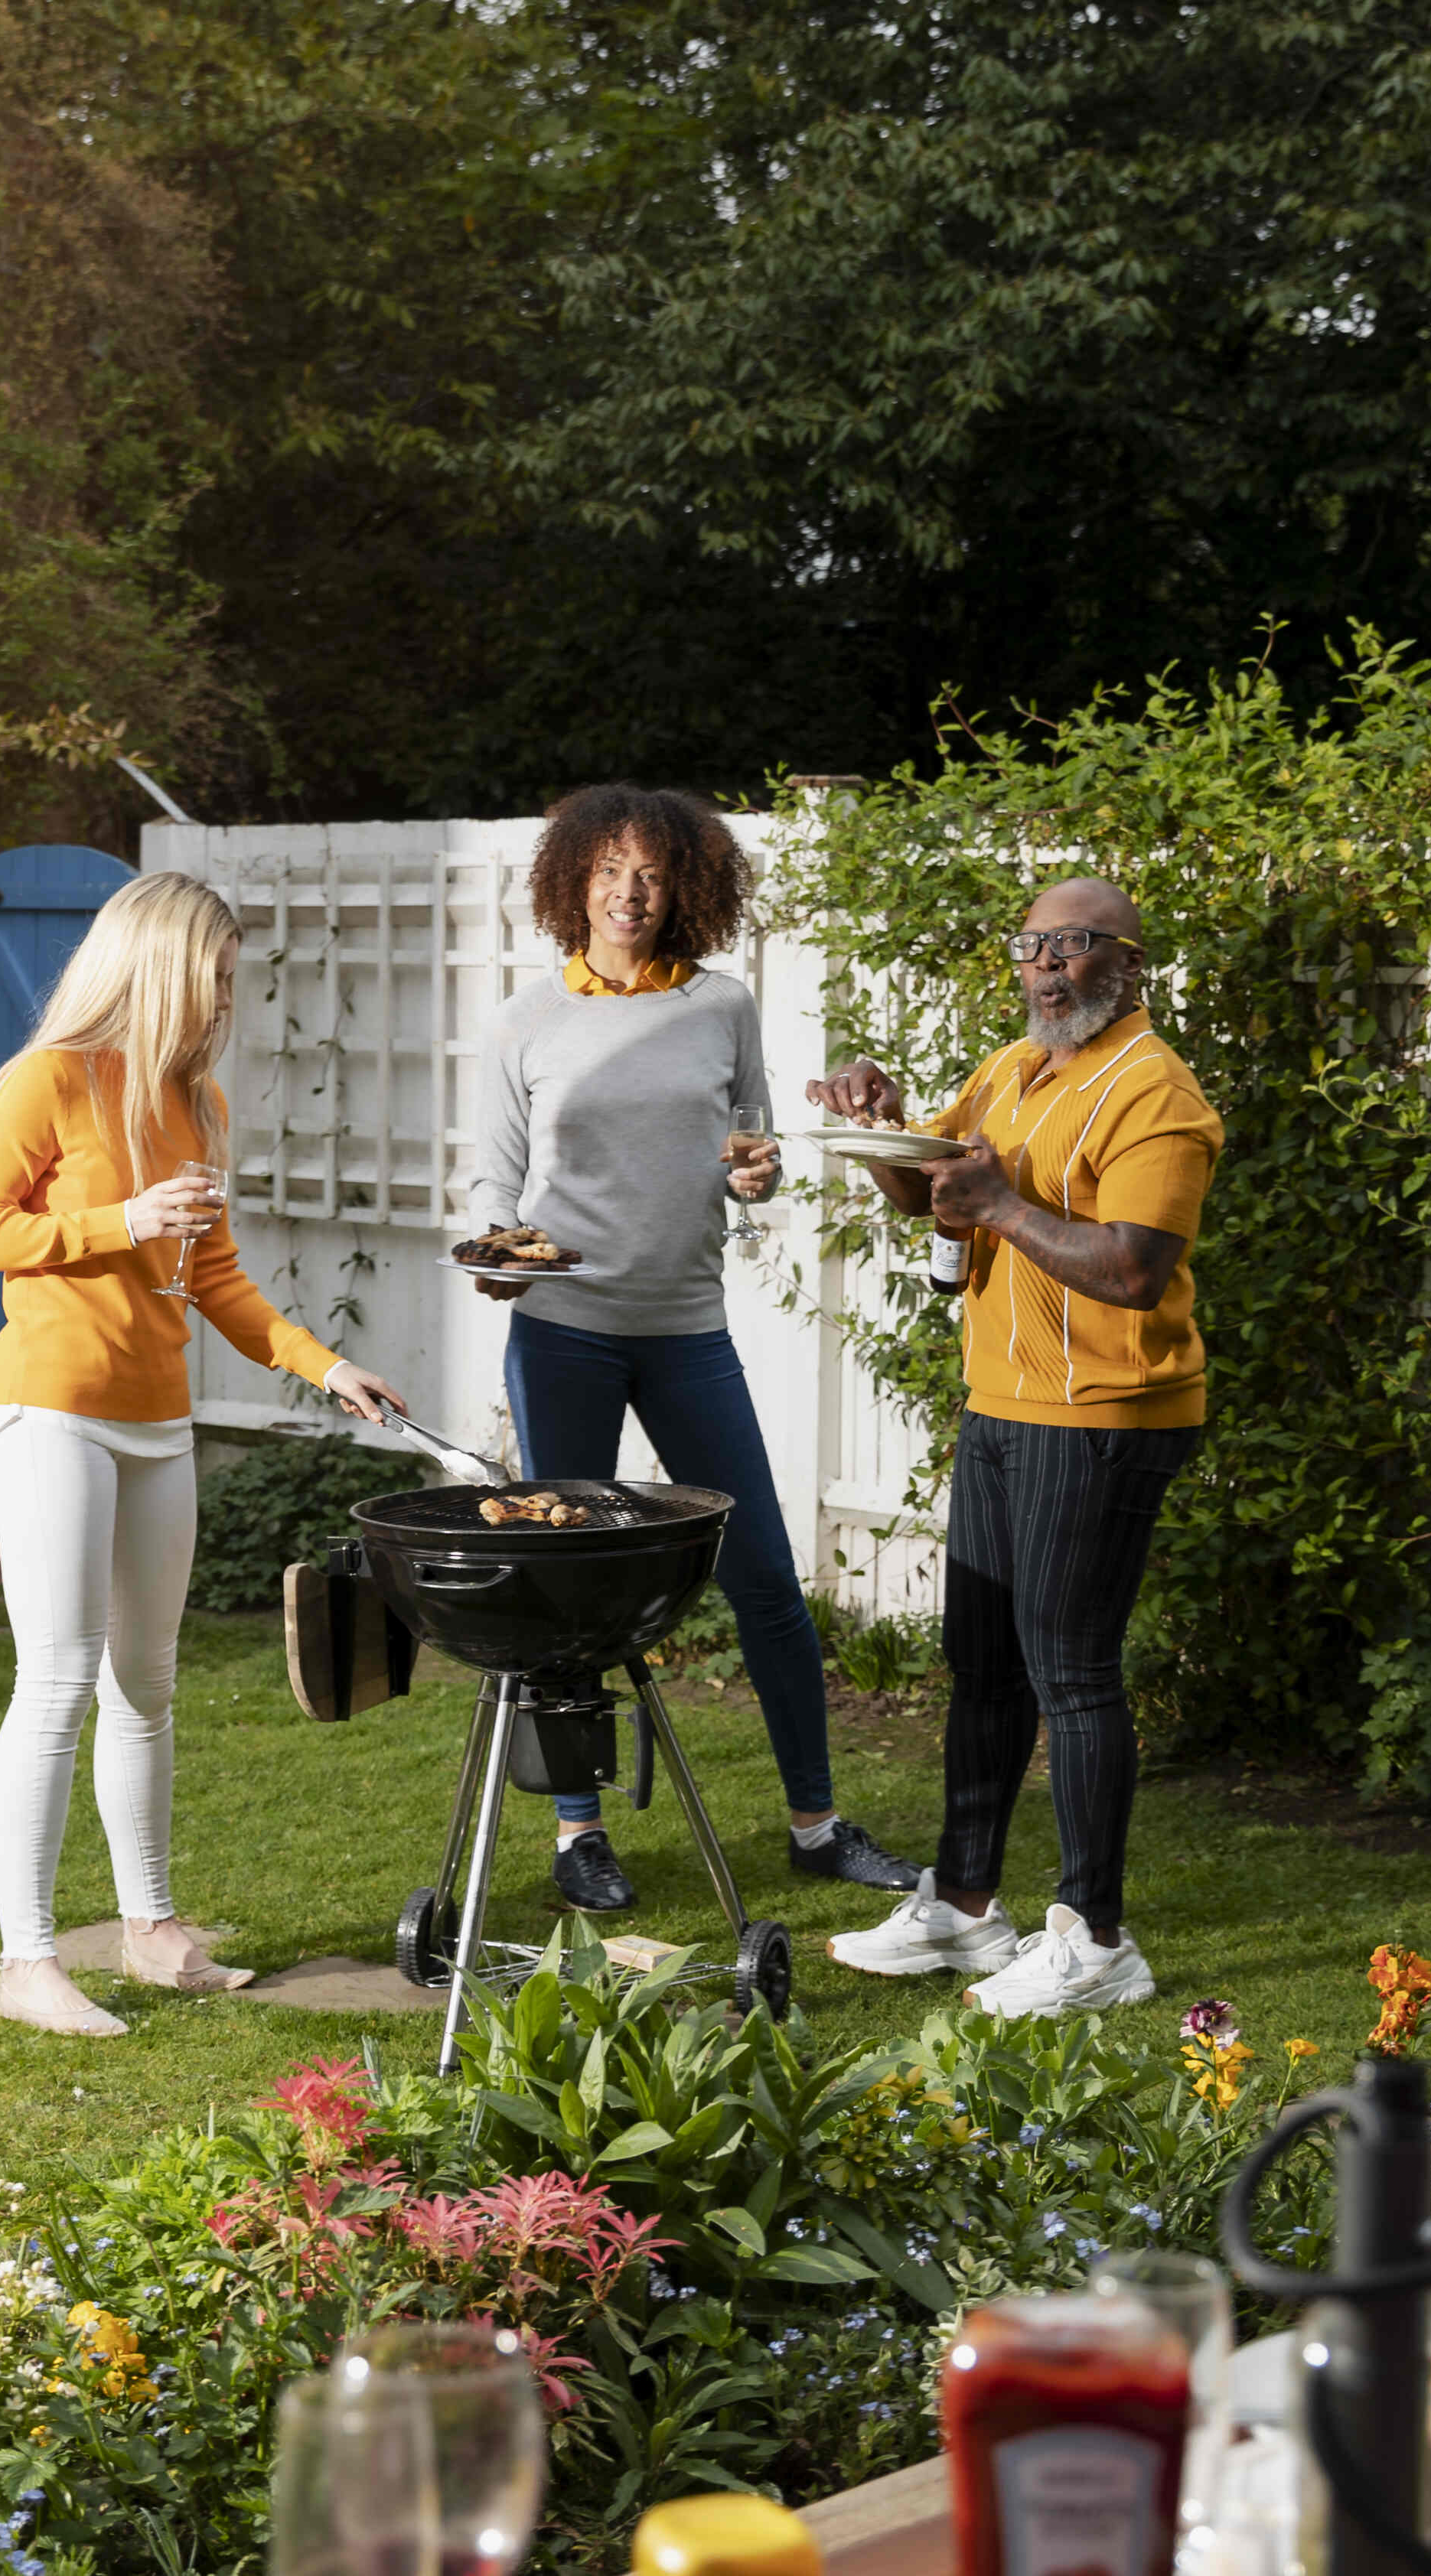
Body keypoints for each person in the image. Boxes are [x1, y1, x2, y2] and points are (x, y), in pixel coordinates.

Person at [0, 871, 409, 2038]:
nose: (223, 997)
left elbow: (214, 1277)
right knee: (56, 1679)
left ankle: (151, 1931)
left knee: (145, 1684)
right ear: (156, 967)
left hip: (157, 1421)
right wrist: (120, 1222)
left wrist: (321, 1363)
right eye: (212, 974)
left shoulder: (193, 1104)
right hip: (49, 1408)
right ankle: (27, 1962)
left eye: (231, 978)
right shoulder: (46, 1081)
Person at [468, 783, 919, 1913]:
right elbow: (492, 1183)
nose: (629, 890)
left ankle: (815, 1824)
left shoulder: (723, 1007)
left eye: (653, 873)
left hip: (686, 1330)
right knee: (569, 1588)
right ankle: (580, 1834)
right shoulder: (525, 1019)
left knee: (764, 1573)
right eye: (610, 868)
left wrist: (754, 1176)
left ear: (685, 891)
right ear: (573, 880)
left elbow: (746, 1153)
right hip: (562, 1332)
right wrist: (490, 1253)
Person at [806, 874, 1221, 2017]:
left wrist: (998, 1208)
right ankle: (968, 1910)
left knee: (1073, 1675)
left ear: (1130, 964)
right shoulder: (1011, 1070)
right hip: (1002, 1406)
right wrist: (879, 1124)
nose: (1044, 966)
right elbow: (925, 1193)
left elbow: (1135, 1270)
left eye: (1073, 945)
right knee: (982, 1666)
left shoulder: (1158, 1095)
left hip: (1102, 1419)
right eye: (1031, 946)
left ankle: (1097, 1940)